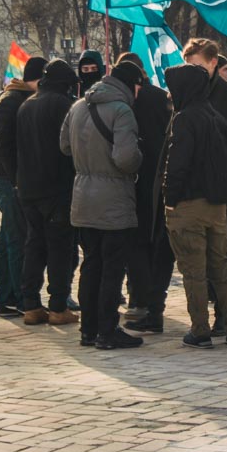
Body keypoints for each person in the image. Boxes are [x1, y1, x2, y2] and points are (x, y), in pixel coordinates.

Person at [162, 64, 227, 348]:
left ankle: (200, 330)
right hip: (216, 207)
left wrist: (169, 199)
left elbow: (177, 165)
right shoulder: (214, 116)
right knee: (222, 269)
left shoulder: (185, 119)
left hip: (188, 207)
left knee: (194, 272)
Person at [62, 60, 145, 349]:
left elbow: (64, 145)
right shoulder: (122, 111)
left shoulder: (77, 107)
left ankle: (88, 330)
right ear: (129, 84)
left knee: (91, 264)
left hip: (83, 196)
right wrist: (139, 159)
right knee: (112, 267)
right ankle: (108, 332)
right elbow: (125, 158)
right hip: (113, 200)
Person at [16, 60, 80, 327]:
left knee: (34, 245)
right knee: (60, 248)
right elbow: (70, 148)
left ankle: (30, 305)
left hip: (28, 187)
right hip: (56, 187)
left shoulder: (26, 104)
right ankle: (57, 306)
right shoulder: (63, 105)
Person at [113, 53, 172, 331]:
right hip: (159, 176)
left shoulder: (125, 102)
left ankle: (139, 298)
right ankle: (154, 303)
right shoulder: (160, 97)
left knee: (136, 242)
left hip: (131, 179)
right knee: (158, 242)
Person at [182, 39, 227, 254]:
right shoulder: (183, 96)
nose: (192, 73)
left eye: (198, 67)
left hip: (223, 193)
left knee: (222, 261)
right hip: (192, 195)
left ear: (213, 62)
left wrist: (220, 169)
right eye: (188, 67)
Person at [0, 56, 46, 318]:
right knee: (17, 238)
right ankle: (21, 298)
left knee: (8, 238)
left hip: (8, 177)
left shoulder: (17, 98)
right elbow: (3, 146)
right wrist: (15, 181)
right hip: (8, 179)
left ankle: (8, 297)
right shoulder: (12, 101)